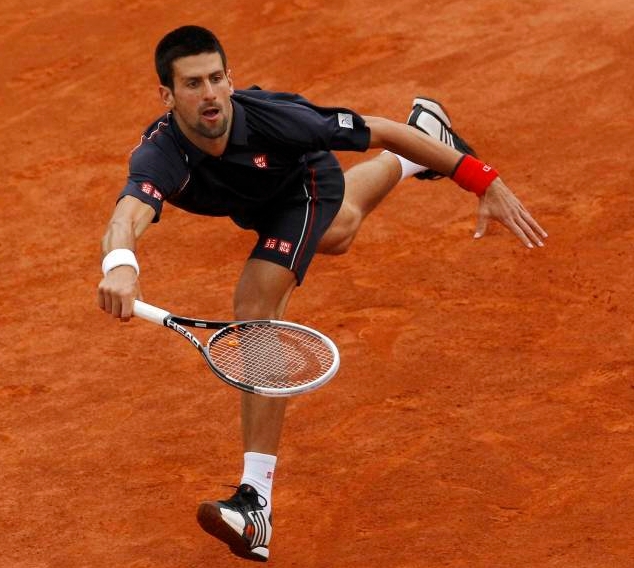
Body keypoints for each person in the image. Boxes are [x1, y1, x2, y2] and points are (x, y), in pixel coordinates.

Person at [97, 25, 546, 562]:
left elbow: (378, 129)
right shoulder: (160, 152)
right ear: (167, 96)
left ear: (230, 79)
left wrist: (483, 180)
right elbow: (127, 215)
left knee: (256, 305)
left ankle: (255, 503)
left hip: (305, 184)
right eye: (193, 84)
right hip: (258, 204)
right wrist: (120, 265)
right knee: (340, 231)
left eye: (217, 78)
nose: (210, 94)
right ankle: (424, 140)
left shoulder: (282, 121)